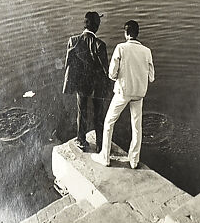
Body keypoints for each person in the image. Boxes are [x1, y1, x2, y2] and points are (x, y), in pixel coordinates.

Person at [91, 19, 154, 169]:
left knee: (109, 123)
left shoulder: (120, 48)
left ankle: (105, 157)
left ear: (126, 34)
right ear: (137, 34)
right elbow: (151, 77)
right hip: (139, 94)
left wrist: (120, 76)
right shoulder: (147, 51)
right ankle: (134, 160)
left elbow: (112, 74)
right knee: (137, 126)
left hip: (123, 92)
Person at [63, 11, 109, 152]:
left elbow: (67, 65)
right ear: (96, 27)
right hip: (96, 85)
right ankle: (100, 145)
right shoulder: (100, 45)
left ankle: (81, 140)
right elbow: (106, 70)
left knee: (81, 112)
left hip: (80, 84)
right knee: (98, 114)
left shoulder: (73, 41)